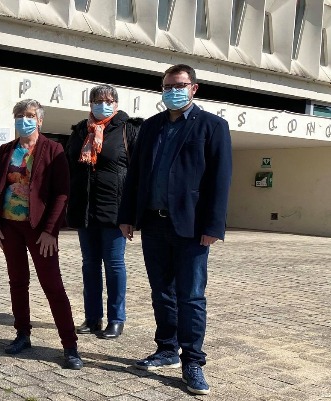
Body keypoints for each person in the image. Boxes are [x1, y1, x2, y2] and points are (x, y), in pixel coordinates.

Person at [118, 64, 232, 395]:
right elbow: (135, 175)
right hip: (154, 223)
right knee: (161, 292)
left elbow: (220, 179)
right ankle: (167, 348)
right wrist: (127, 215)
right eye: (167, 86)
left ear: (194, 88)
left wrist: (213, 225)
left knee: (191, 296)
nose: (172, 91)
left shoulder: (212, 126)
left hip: (192, 228)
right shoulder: (150, 126)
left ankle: (192, 361)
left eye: (179, 85)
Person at [0, 99, 83, 369]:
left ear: (39, 120)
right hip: (9, 227)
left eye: (29, 115)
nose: (23, 120)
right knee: (18, 282)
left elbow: (62, 193)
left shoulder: (53, 149)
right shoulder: (7, 150)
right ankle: (22, 334)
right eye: (19, 115)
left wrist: (51, 230)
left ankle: (70, 345)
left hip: (39, 230)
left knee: (53, 285)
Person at [66, 84, 141, 339]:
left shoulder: (128, 129)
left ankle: (116, 319)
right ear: (90, 104)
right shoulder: (80, 130)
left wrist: (131, 214)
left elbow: (137, 174)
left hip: (115, 212)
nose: (103, 104)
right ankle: (92, 317)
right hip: (85, 210)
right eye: (97, 101)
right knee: (90, 265)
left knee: (114, 265)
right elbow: (69, 167)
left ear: (116, 104)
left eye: (108, 101)